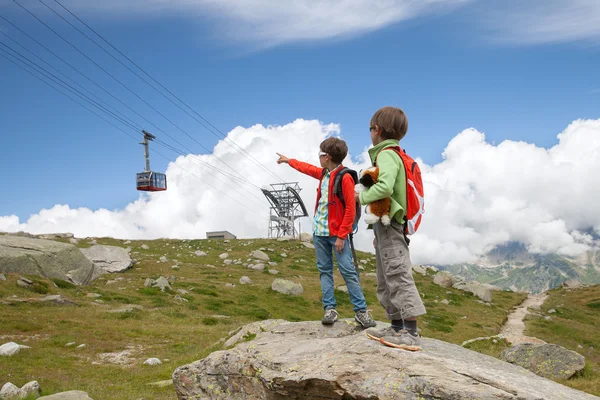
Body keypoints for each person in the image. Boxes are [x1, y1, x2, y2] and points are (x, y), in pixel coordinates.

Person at [277, 137, 376, 329]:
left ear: (327, 157)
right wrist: (289, 161)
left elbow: (350, 208)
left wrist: (341, 236)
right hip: (319, 233)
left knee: (348, 271)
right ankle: (330, 309)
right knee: (324, 271)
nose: (319, 158)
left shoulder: (345, 177)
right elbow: (306, 168)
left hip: (336, 235)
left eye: (321, 154)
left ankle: (361, 311)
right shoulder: (324, 174)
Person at [357, 106, 426, 351]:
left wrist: (359, 198)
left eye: (369, 129)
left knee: (397, 274)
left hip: (392, 225)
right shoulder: (392, 153)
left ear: (376, 130)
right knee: (385, 276)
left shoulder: (386, 154)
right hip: (387, 226)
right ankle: (396, 326)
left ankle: (411, 332)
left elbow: (384, 188)